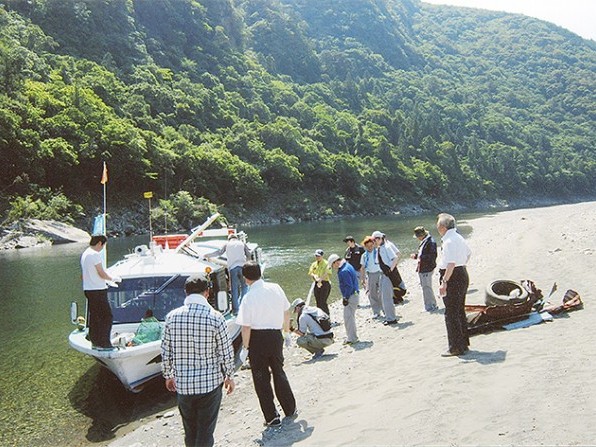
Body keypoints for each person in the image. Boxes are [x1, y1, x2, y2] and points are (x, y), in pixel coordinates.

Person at [161, 274, 235, 447]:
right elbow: (226, 351)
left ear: (185, 292)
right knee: (205, 431)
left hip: (183, 384)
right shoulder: (216, 317)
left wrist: (168, 375)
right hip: (210, 383)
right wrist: (229, 376)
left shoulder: (171, 317)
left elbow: (165, 351)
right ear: (207, 292)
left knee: (190, 431)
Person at [236, 261, 297, 428]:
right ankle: (290, 408)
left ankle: (271, 416)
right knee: (279, 371)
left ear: (245, 278)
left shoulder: (248, 297)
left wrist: (245, 348)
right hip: (275, 335)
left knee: (261, 378)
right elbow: (286, 311)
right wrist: (286, 332)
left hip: (257, 338)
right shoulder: (275, 288)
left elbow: (246, 327)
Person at [436, 213, 472, 357]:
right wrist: (460, 265)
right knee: (459, 310)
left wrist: (444, 282)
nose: (437, 227)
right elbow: (468, 254)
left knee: (451, 313)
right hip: (461, 273)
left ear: (443, 227)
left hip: (453, 276)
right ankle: (463, 344)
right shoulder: (458, 237)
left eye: (438, 224)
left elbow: (450, 264)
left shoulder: (449, 241)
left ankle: (455, 347)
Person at [80, 235, 120, 350]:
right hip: (97, 290)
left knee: (94, 317)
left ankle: (95, 341)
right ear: (99, 243)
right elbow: (101, 273)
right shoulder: (94, 254)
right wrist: (112, 279)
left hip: (88, 289)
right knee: (106, 316)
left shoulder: (85, 254)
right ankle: (104, 343)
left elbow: (84, 275)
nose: (102, 248)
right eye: (103, 245)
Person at [205, 233, 251, 314]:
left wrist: (207, 255)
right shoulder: (242, 243)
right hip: (242, 267)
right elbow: (248, 254)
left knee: (234, 289)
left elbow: (219, 252)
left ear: (229, 239)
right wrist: (248, 263)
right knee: (244, 287)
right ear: (236, 238)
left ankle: (236, 310)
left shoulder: (227, 244)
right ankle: (243, 305)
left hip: (233, 268)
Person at [328, 254, 359, 344]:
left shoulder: (343, 271)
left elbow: (349, 286)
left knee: (348, 318)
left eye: (332, 266)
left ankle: (352, 338)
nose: (333, 268)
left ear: (336, 262)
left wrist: (346, 297)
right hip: (355, 294)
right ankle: (352, 336)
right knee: (350, 317)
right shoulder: (347, 265)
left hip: (351, 296)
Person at [372, 231, 400, 325]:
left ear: (379, 239)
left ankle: (391, 318)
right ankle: (389, 316)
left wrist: (390, 270)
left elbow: (395, 257)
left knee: (386, 297)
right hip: (383, 273)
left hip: (387, 274)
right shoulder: (380, 248)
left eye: (375, 240)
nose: (374, 242)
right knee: (382, 296)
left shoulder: (386, 247)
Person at [410, 226, 439, 312]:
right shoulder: (426, 241)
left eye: (418, 236)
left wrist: (419, 257)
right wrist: (417, 256)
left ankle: (430, 306)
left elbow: (432, 256)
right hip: (423, 267)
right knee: (425, 287)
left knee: (426, 287)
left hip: (427, 268)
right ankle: (430, 305)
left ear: (421, 235)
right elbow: (423, 254)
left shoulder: (431, 242)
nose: (417, 238)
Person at [360, 235, 383, 319]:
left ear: (374, 244)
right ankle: (376, 311)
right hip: (370, 275)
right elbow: (362, 268)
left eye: (371, 245)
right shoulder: (364, 255)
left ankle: (385, 310)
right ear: (365, 246)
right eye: (367, 246)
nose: (370, 247)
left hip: (380, 273)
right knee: (372, 294)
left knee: (381, 293)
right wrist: (362, 279)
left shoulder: (378, 252)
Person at [307, 249, 332, 316]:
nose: (317, 257)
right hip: (316, 283)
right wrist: (314, 276)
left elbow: (327, 273)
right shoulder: (314, 264)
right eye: (316, 256)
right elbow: (310, 272)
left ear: (322, 256)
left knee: (323, 302)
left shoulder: (326, 263)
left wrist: (320, 279)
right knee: (318, 301)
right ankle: (320, 316)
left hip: (325, 283)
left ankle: (327, 317)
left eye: (318, 256)